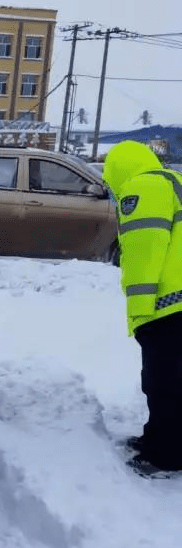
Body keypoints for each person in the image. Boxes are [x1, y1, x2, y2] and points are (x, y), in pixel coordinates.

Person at [102, 141, 182, 477]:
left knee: (164, 382)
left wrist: (140, 311)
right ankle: (158, 439)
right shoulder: (169, 181)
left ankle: (165, 457)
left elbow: (144, 251)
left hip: (168, 306)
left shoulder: (142, 188)